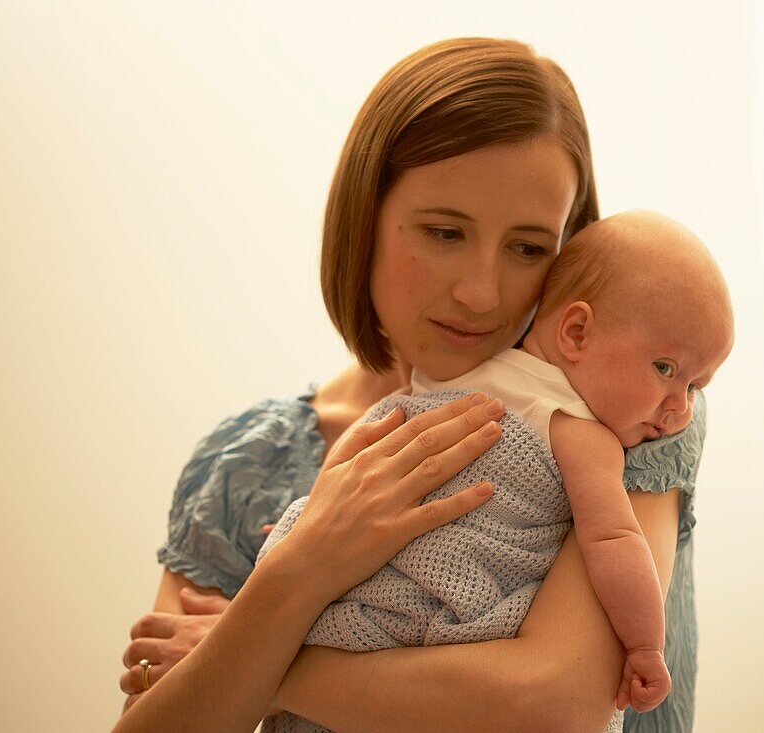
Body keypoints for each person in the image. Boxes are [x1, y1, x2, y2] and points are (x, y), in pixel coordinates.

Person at [116, 37, 712, 733]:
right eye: (443, 231)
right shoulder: (244, 464)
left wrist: (252, 658)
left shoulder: (629, 407)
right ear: (364, 219)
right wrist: (299, 568)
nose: (481, 292)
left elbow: (558, 702)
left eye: (527, 248)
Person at [256, 211, 734, 732]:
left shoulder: (449, 375)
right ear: (576, 332)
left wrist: (302, 529)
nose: (679, 411)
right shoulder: (579, 431)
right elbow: (616, 542)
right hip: (437, 610)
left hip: (350, 620)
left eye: (695, 387)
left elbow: (367, 442)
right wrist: (643, 645)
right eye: (666, 369)